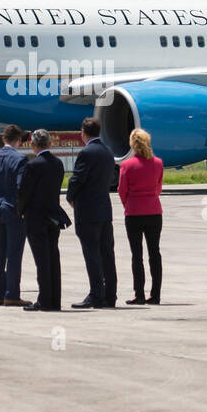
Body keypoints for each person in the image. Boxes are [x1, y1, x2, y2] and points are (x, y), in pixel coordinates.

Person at [66, 117, 118, 308]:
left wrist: (70, 196)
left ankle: (96, 294)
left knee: (92, 254)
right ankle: (110, 295)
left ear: (83, 133)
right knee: (107, 254)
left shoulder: (86, 153)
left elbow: (77, 179)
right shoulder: (107, 151)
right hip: (104, 209)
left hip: (87, 211)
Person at [17, 129, 70, 311]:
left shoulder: (33, 165)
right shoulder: (58, 163)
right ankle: (55, 299)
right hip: (53, 216)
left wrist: (20, 211)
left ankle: (44, 299)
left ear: (33, 145)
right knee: (53, 258)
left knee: (42, 260)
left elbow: (24, 192)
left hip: (36, 217)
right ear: (50, 143)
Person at [0, 125, 30, 306]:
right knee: (14, 254)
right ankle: (12, 294)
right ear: (19, 141)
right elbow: (21, 188)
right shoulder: (20, 159)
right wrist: (22, 210)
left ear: (3, 139)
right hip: (13, 211)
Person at [118, 128, 164, 305]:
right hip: (154, 211)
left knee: (137, 255)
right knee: (155, 253)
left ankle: (139, 295)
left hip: (134, 212)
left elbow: (122, 190)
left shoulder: (126, 165)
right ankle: (156, 294)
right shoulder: (158, 163)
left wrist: (129, 204)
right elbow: (158, 188)